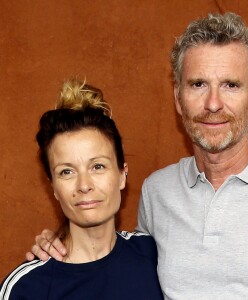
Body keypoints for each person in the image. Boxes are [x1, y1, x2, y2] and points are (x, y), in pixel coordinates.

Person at [26, 12, 248, 299]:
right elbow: (121, 266)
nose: (213, 103)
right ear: (178, 98)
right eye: (198, 84)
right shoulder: (158, 192)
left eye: (231, 85)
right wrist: (58, 246)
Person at [0, 79, 163, 299]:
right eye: (67, 171)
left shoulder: (153, 255)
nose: (84, 185)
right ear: (54, 188)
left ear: (122, 174)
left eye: (98, 166)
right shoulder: (27, 288)